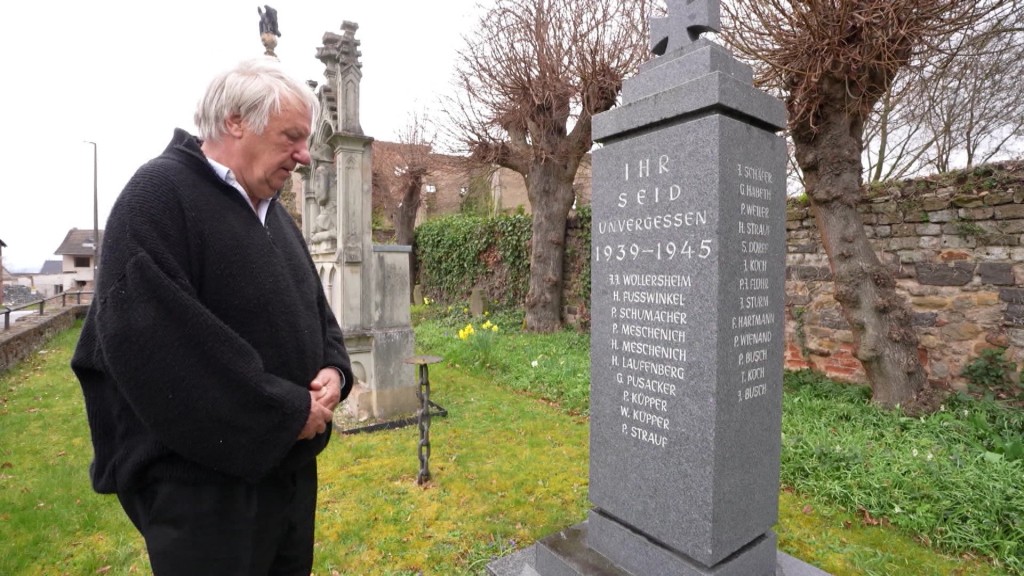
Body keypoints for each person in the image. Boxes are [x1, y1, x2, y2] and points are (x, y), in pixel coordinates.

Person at [71, 57, 354, 576]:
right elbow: (160, 350)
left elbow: (316, 311)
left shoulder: (274, 215)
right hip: (203, 495)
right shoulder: (158, 196)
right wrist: (289, 413)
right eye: (291, 136)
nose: (305, 155)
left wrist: (335, 371)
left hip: (285, 479)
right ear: (236, 122)